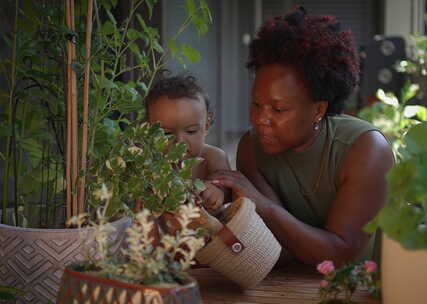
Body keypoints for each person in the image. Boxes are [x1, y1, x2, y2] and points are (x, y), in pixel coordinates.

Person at [210, 7, 394, 266]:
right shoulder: (252, 148)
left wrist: (260, 204)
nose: (261, 119)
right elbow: (275, 239)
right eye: (256, 105)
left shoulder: (365, 150)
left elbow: (338, 256)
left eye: (279, 109)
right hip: (284, 284)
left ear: (319, 109)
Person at [145, 75, 230, 215]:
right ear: (149, 131)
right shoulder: (151, 163)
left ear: (206, 127)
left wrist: (216, 193)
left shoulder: (213, 157)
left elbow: (228, 191)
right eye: (166, 133)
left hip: (207, 229)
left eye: (191, 131)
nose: (179, 142)